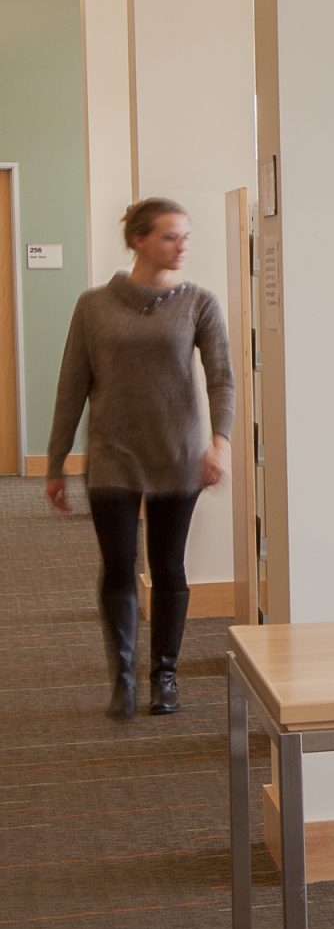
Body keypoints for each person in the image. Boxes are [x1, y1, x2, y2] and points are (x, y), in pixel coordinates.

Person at [45, 198, 234, 719]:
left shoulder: (199, 302)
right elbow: (71, 386)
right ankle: (123, 677)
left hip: (178, 455)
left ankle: (165, 678)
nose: (182, 246)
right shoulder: (93, 306)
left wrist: (220, 440)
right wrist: (56, 461)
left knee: (170, 566)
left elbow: (221, 377)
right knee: (119, 566)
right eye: (171, 236)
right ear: (139, 240)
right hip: (113, 454)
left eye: (185, 237)